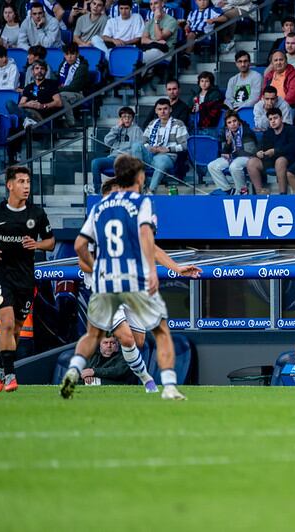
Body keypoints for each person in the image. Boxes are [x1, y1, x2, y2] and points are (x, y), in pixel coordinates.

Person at [62, 155, 187, 400]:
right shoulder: (134, 206)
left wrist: (174, 266)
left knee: (137, 341)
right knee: (133, 335)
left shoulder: (101, 210)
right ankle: (156, 382)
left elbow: (78, 246)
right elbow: (82, 255)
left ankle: (144, 378)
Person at [0, 166, 54, 393]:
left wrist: (38, 244)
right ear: (10, 185)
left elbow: (51, 241)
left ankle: (0, 365)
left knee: (18, 329)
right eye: (21, 181)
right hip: (1, 274)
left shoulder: (37, 214)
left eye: (28, 181)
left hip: (25, 276)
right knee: (8, 323)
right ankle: (10, 375)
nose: (26, 186)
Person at [131, 98, 189, 194]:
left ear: (170, 110)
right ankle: (141, 185)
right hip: (150, 154)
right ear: (156, 111)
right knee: (136, 146)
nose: (162, 112)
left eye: (165, 109)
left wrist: (168, 149)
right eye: (160, 109)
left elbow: (185, 144)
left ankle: (151, 190)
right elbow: (144, 140)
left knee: (161, 162)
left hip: (167, 156)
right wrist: (149, 147)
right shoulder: (152, 124)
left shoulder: (178, 124)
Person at [247, 108, 295, 195]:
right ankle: (260, 192)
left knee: (280, 161)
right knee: (251, 162)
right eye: (270, 119)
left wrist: (275, 151)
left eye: (275, 118)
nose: (273, 121)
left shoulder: (291, 130)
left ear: (281, 118)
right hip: (271, 159)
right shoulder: (268, 132)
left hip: (289, 159)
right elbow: (260, 146)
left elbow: (293, 147)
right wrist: (258, 152)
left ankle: (282, 194)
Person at [91, 106, 144, 192]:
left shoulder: (137, 130)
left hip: (127, 159)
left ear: (132, 118)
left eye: (129, 117)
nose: (126, 119)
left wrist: (126, 156)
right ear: (120, 118)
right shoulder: (116, 128)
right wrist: (117, 128)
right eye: (124, 117)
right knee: (95, 163)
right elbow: (107, 142)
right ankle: (98, 191)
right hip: (113, 158)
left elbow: (138, 148)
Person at [207, 111, 257, 194]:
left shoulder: (247, 131)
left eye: (234, 121)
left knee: (234, 166)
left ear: (239, 122)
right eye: (229, 122)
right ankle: (227, 190)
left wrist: (232, 155)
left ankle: (242, 191)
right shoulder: (225, 132)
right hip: (233, 156)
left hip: (247, 157)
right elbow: (223, 152)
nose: (232, 124)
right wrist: (228, 143)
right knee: (212, 166)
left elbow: (249, 151)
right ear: (226, 125)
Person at [8, 60, 62, 126]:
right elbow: (20, 105)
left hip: (40, 115)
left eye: (42, 68)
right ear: (32, 71)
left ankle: (28, 121)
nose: (39, 71)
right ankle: (27, 121)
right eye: (37, 68)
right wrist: (27, 104)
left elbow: (58, 102)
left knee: (25, 116)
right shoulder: (28, 87)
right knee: (9, 103)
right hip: (27, 111)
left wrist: (42, 106)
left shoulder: (51, 84)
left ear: (46, 71)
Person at [55, 43, 89, 128]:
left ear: (77, 54)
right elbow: (57, 80)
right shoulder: (63, 65)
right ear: (64, 55)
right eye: (67, 54)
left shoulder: (82, 67)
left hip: (79, 93)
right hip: (63, 90)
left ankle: (71, 122)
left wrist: (56, 90)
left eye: (72, 54)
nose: (69, 57)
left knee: (60, 96)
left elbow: (74, 87)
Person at [139, 0, 178, 65]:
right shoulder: (149, 22)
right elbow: (143, 40)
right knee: (136, 56)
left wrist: (156, 20)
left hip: (165, 53)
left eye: (156, 3)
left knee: (138, 59)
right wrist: (155, 42)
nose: (153, 6)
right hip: (150, 50)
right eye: (151, 4)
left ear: (162, 4)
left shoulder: (171, 21)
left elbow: (159, 37)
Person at [188, 71, 225, 136]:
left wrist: (200, 107)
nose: (204, 83)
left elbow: (213, 107)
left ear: (211, 83)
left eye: (206, 81)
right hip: (196, 119)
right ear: (199, 82)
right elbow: (190, 106)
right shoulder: (196, 94)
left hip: (209, 121)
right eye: (202, 81)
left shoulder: (215, 93)